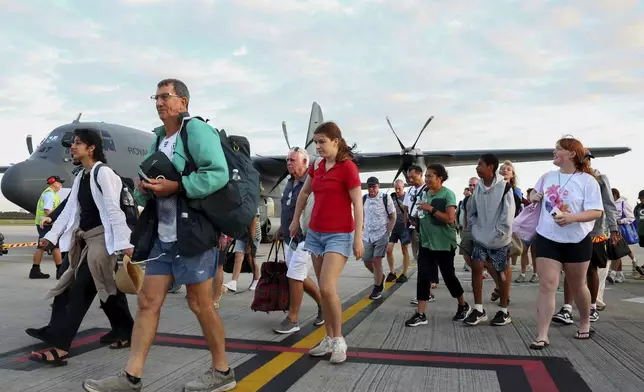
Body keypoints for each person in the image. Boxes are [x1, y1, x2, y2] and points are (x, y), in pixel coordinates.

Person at [83, 79, 235, 392]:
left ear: (183, 101)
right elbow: (151, 185)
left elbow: (217, 172)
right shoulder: (158, 139)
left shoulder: (197, 131)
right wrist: (143, 189)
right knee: (148, 302)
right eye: (156, 96)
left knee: (200, 304)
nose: (159, 102)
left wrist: (178, 187)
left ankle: (222, 372)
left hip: (192, 235)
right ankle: (131, 377)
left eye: (165, 96)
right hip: (162, 238)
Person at [26, 129, 135, 366]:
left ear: (91, 147)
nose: (72, 147)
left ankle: (61, 348)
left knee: (79, 293)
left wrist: (125, 244)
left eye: (77, 143)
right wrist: (52, 237)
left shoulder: (104, 174)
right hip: (83, 241)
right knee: (94, 288)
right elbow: (69, 211)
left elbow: (114, 209)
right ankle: (125, 331)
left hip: (100, 242)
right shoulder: (82, 177)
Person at [289, 121, 363, 364]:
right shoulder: (318, 166)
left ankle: (339, 339)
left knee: (328, 288)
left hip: (339, 235)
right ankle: (328, 338)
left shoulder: (348, 167)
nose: (317, 147)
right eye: (316, 142)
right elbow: (304, 193)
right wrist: (295, 219)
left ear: (335, 141)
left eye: (321, 142)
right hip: (315, 234)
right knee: (323, 289)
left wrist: (358, 238)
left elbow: (357, 204)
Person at [529, 137, 603, 350]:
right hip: (547, 237)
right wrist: (534, 196)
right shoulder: (547, 177)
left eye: (558, 149)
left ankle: (585, 322)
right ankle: (542, 334)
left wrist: (572, 218)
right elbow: (534, 194)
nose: (554, 152)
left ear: (571, 154)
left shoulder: (587, 181)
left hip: (577, 239)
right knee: (547, 285)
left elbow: (596, 211)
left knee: (578, 285)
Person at [405, 164, 471, 327]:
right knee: (423, 278)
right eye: (426, 176)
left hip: (443, 244)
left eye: (430, 176)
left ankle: (463, 305)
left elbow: (450, 218)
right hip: (427, 243)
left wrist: (431, 209)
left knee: (449, 277)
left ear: (440, 178)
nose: (426, 179)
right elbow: (421, 213)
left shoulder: (448, 194)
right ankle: (420, 313)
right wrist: (417, 221)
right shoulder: (424, 193)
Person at [274, 146, 324, 334]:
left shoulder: (311, 183)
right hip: (290, 238)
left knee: (294, 274)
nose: (288, 163)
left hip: (306, 237)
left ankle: (292, 319)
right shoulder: (289, 182)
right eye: (287, 160)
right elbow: (288, 208)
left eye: (292, 160)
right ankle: (323, 304)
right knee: (299, 276)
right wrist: (281, 227)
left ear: (305, 162)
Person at [464, 153, 515, 327]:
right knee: (477, 268)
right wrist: (474, 226)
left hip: (498, 240)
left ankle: (503, 311)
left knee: (501, 274)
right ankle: (479, 309)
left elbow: (507, 216)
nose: (477, 168)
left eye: (480, 164)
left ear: (490, 167)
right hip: (480, 237)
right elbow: (473, 210)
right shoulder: (478, 187)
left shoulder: (505, 188)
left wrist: (498, 233)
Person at [361, 176, 396, 300]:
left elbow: (393, 216)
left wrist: (388, 231)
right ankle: (380, 276)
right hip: (367, 235)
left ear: (378, 186)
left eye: (374, 186)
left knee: (377, 261)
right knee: (366, 261)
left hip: (381, 234)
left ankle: (377, 287)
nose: (372, 189)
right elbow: (361, 215)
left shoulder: (386, 198)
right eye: (369, 186)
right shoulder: (364, 198)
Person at [30, 175, 65, 279]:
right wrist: (55, 220)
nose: (61, 185)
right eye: (59, 183)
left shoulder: (50, 193)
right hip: (47, 225)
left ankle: (36, 270)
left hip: (44, 225)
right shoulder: (49, 194)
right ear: (54, 183)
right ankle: (60, 271)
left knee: (47, 246)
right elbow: (47, 210)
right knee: (52, 247)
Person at [386, 179, 411, 283]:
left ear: (403, 187)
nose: (397, 190)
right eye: (395, 188)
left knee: (404, 248)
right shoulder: (391, 197)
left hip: (404, 227)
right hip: (394, 227)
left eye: (399, 188)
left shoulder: (408, 197)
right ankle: (392, 272)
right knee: (388, 249)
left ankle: (404, 273)